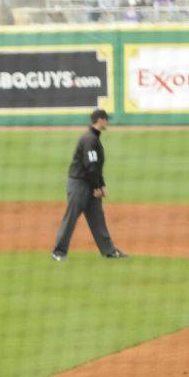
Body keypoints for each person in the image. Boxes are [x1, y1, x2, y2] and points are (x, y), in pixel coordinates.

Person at [51, 108, 128, 262]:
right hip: (79, 185)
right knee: (71, 218)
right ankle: (58, 252)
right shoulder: (89, 139)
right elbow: (90, 166)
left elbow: (96, 167)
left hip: (89, 183)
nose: (108, 121)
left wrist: (102, 184)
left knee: (97, 218)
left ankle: (109, 251)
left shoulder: (93, 138)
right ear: (99, 120)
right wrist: (97, 188)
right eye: (106, 119)